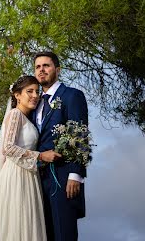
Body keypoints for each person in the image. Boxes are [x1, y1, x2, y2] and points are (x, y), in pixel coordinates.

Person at [0, 75, 61, 241]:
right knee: (16, 222)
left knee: (26, 223)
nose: (35, 95)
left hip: (28, 175)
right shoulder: (15, 114)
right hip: (16, 175)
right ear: (17, 95)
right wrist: (41, 156)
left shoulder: (26, 118)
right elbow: (8, 148)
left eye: (37, 91)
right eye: (29, 91)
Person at [33, 51, 89, 241]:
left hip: (64, 178)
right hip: (38, 181)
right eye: (38, 67)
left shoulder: (72, 95)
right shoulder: (36, 103)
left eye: (46, 66)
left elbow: (79, 134)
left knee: (64, 233)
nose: (41, 70)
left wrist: (76, 174)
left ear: (57, 69)